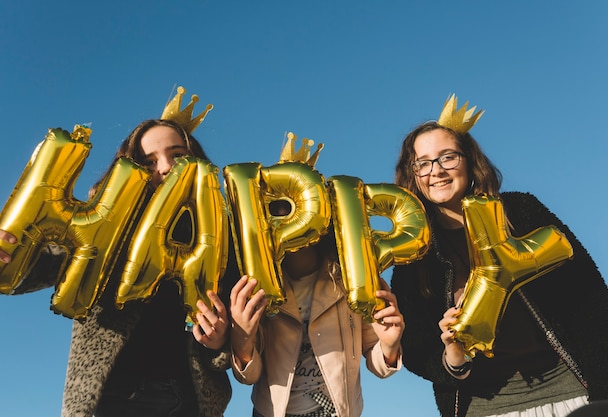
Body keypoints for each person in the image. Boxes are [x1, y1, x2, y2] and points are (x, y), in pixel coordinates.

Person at [1, 87, 237, 417]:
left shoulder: (223, 239)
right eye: (149, 161)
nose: (166, 168)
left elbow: (235, 340)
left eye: (178, 155)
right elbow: (37, 268)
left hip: (191, 400)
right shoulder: (102, 227)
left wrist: (219, 342)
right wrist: (10, 250)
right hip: (114, 399)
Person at [390, 95, 608, 417]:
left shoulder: (522, 212)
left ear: (470, 162)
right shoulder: (414, 252)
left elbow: (591, 303)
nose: (437, 171)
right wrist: (452, 359)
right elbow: (416, 346)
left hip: (572, 395)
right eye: (424, 162)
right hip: (484, 408)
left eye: (448, 157)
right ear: (413, 175)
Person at [228, 200, 404, 417]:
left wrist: (389, 347)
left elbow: (378, 364)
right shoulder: (257, 287)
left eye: (295, 209)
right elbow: (249, 376)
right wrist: (242, 339)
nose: (289, 221)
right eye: (277, 212)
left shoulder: (354, 281)